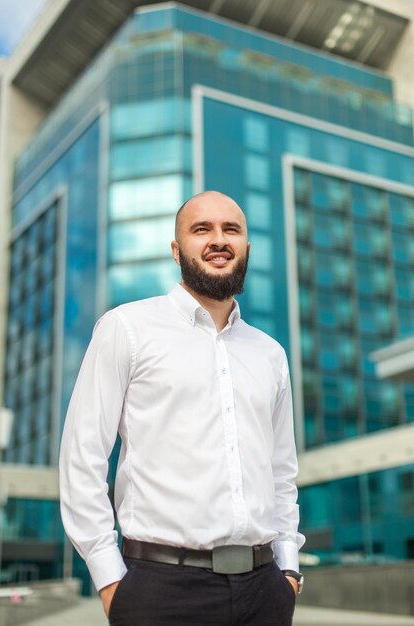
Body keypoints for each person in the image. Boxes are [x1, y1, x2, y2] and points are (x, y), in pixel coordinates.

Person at [59, 190, 305, 626]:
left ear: (246, 248)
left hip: (264, 591)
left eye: (231, 229)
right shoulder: (127, 329)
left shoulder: (270, 354)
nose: (218, 239)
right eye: (201, 229)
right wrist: (111, 581)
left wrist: (288, 568)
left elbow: (281, 471)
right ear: (176, 250)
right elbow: (82, 458)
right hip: (159, 591)